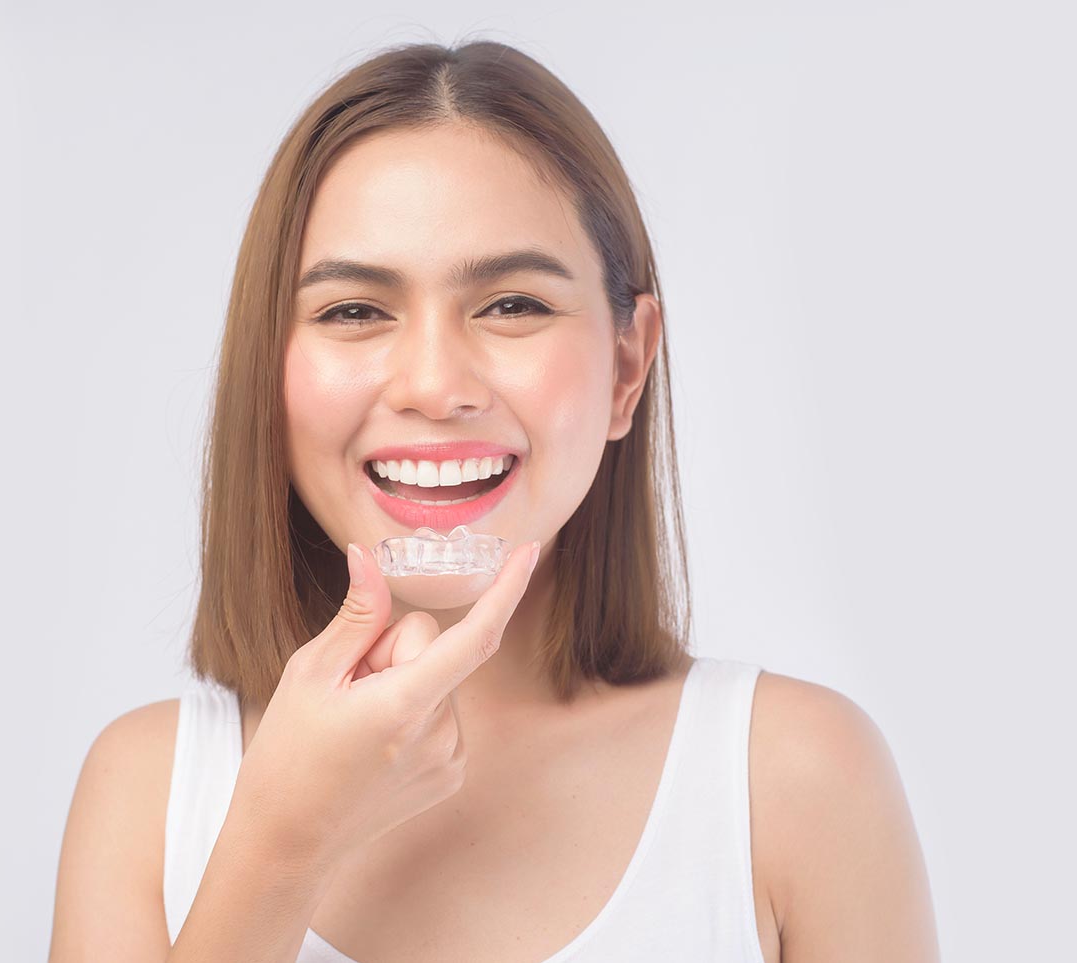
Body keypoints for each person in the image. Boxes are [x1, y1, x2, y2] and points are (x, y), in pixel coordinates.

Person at [48, 39, 940, 963]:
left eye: (513, 304)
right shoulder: (147, 792)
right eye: (354, 310)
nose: (436, 385)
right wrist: (279, 847)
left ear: (628, 366)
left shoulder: (798, 780)